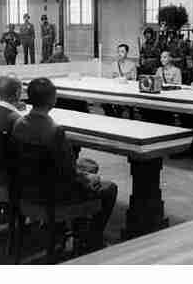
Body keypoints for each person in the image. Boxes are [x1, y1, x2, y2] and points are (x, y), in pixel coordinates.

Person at [10, 77, 117, 251]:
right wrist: (90, 179)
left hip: (26, 190)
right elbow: (69, 174)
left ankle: (72, 229)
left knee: (87, 165)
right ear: (53, 100)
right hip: (53, 196)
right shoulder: (55, 131)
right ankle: (92, 239)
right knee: (109, 188)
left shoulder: (18, 124)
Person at [103, 44, 137, 118]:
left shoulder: (132, 65)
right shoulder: (113, 64)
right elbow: (109, 78)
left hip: (126, 91)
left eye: (122, 51)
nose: (119, 54)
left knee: (121, 107)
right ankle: (113, 118)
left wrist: (122, 78)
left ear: (127, 53)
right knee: (104, 102)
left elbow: (134, 81)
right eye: (118, 51)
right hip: (115, 90)